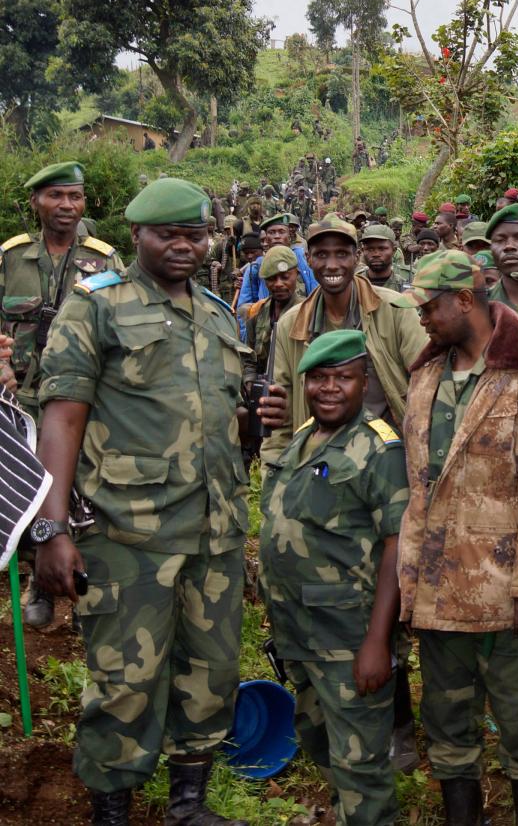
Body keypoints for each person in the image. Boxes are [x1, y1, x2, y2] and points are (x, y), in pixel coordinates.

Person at [33, 178, 251, 826]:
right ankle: (111, 811)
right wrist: (51, 530)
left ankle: (189, 804)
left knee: (211, 673)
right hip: (129, 534)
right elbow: (62, 416)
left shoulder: (218, 312)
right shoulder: (96, 305)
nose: (184, 246)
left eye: (195, 235)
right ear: (136, 235)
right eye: (168, 234)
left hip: (214, 530)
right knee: (124, 682)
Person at [395, 251, 518, 826]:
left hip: (505, 594)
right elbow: (418, 486)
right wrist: (409, 580)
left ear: (464, 300)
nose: (422, 319)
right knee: (447, 722)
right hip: (437, 588)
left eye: (430, 307)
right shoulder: (426, 375)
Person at [259, 330, 407, 826]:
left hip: (348, 635)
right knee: (319, 739)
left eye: (342, 377)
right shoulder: (304, 437)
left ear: (365, 381)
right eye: (318, 378)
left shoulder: (379, 449)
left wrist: (378, 642)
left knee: (360, 761)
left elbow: (397, 546)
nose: (329, 388)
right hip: (297, 631)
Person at [257, 216, 427, 465]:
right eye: (321, 255)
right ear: (308, 258)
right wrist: (276, 476)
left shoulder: (395, 310)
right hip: (318, 462)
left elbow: (427, 385)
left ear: (356, 257)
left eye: (341, 254)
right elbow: (279, 415)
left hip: (388, 461)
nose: (332, 265)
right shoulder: (290, 325)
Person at [1, 162, 125, 417]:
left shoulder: (105, 261)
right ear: (34, 201)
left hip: (83, 403)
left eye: (75, 196)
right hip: (16, 400)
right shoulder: (10, 258)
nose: (67, 205)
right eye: (55, 195)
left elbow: (124, 331)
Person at [238, 246, 304, 378]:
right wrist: (250, 380)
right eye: (271, 279)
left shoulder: (307, 311)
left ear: (296, 274)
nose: (278, 284)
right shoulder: (257, 312)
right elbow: (249, 358)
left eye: (285, 277)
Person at [235, 213, 316, 311]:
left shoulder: (302, 259)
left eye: (281, 232)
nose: (277, 236)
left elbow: (315, 292)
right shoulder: (257, 266)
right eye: (272, 232)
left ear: (289, 236)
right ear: (266, 238)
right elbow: (244, 307)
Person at [357, 224, 412, 292]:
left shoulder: (405, 286)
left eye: (382, 249)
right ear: (363, 251)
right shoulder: (353, 284)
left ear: (394, 251)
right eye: (370, 249)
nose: (376, 254)